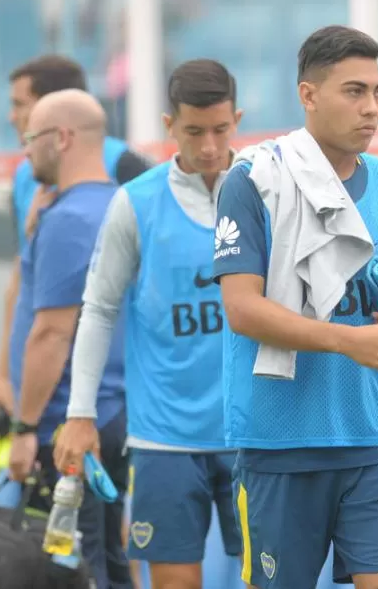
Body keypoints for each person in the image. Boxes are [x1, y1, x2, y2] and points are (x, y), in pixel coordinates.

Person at [213, 25, 378, 589]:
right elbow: (242, 309)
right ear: (308, 95)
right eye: (354, 92)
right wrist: (348, 340)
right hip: (280, 443)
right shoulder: (252, 180)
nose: (371, 109)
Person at [54, 59, 244, 589]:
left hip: (253, 432)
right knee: (175, 582)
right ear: (169, 125)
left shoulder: (266, 192)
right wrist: (80, 415)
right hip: (164, 437)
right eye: (193, 131)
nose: (208, 146)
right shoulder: (134, 203)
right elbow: (98, 310)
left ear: (238, 119)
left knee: (269, 578)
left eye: (221, 129)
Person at [6, 89, 132, 589]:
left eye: (32, 137)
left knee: (69, 569)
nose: (25, 149)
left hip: (68, 425)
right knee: (109, 560)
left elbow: (52, 334)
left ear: (61, 138)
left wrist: (25, 428)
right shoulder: (121, 205)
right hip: (116, 411)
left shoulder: (69, 220)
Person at [0, 54, 150, 421]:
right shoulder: (26, 176)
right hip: (40, 395)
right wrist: (2, 377)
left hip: (106, 402)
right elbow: (21, 281)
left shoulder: (125, 168)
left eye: (19, 105)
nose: (13, 117)